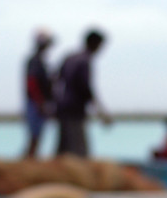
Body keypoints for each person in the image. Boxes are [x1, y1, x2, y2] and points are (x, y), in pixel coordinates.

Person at [55, 29, 111, 158]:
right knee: (79, 151)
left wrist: (54, 102)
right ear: (94, 43)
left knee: (63, 148)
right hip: (74, 109)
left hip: (62, 108)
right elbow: (85, 87)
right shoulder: (85, 61)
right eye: (100, 45)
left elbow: (56, 80)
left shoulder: (70, 57)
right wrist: (100, 111)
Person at [23, 28, 54, 159]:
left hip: (39, 103)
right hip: (35, 104)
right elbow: (32, 83)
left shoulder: (41, 61)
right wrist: (40, 103)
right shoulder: (35, 61)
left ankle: (30, 161)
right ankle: (27, 164)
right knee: (34, 137)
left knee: (37, 137)